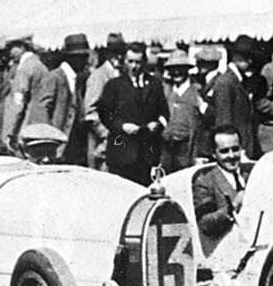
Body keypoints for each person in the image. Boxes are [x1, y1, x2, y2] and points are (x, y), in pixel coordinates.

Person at [98, 42, 169, 185]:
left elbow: (164, 112)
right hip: (122, 153)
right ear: (124, 61)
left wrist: (158, 124)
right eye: (130, 62)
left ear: (144, 62)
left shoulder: (154, 84)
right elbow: (105, 114)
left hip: (148, 153)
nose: (134, 66)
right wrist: (122, 126)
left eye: (138, 62)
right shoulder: (114, 85)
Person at [192, 126, 247, 255]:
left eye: (235, 149)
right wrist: (233, 206)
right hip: (227, 253)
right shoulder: (205, 182)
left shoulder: (251, 175)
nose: (231, 156)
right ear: (214, 153)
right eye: (224, 151)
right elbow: (205, 224)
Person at [37, 33, 89, 166]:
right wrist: (47, 144)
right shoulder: (54, 77)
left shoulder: (77, 80)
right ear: (72, 58)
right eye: (83, 57)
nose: (86, 61)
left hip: (73, 146)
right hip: (57, 146)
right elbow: (42, 110)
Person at [83, 33, 127, 170]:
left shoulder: (123, 75)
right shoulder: (99, 76)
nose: (119, 57)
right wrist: (106, 133)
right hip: (102, 145)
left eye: (121, 53)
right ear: (108, 54)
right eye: (114, 53)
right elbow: (90, 112)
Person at [0, 38, 49, 150]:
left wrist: (9, 133)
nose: (10, 53)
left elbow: (18, 103)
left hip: (25, 126)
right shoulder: (40, 65)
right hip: (40, 123)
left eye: (12, 48)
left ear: (21, 47)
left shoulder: (24, 68)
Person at [161, 51, 204, 172]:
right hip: (167, 150)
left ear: (187, 69)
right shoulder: (166, 90)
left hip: (188, 150)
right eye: (173, 69)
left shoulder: (196, 91)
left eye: (180, 68)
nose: (176, 72)